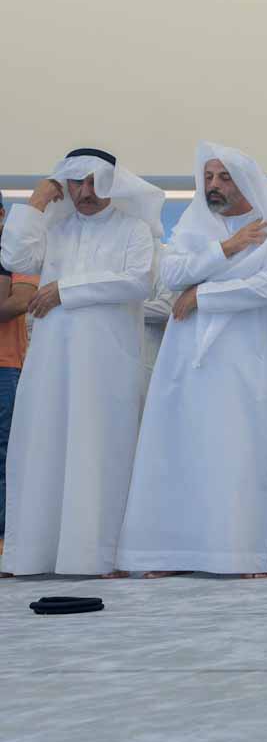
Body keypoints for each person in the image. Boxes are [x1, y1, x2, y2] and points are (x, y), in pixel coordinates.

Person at [121, 143, 267, 578]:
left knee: (236, 452)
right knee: (178, 451)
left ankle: (237, 555)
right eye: (209, 176)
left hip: (243, 358)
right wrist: (228, 248)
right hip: (185, 360)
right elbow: (170, 276)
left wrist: (203, 294)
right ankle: (164, 555)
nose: (214, 185)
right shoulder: (195, 224)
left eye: (224, 177)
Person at [0, 151, 161, 577]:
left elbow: (137, 281)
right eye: (76, 184)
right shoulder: (54, 228)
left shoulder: (134, 229)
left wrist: (64, 290)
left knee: (101, 450)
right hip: (52, 362)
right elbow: (18, 260)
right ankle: (35, 554)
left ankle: (101, 556)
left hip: (107, 363)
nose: (86, 193)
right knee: (44, 448)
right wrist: (35, 204)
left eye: (94, 183)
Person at [0, 202, 37, 559]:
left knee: (3, 457)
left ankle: (4, 542)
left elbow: (19, 302)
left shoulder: (15, 255)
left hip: (5, 366)